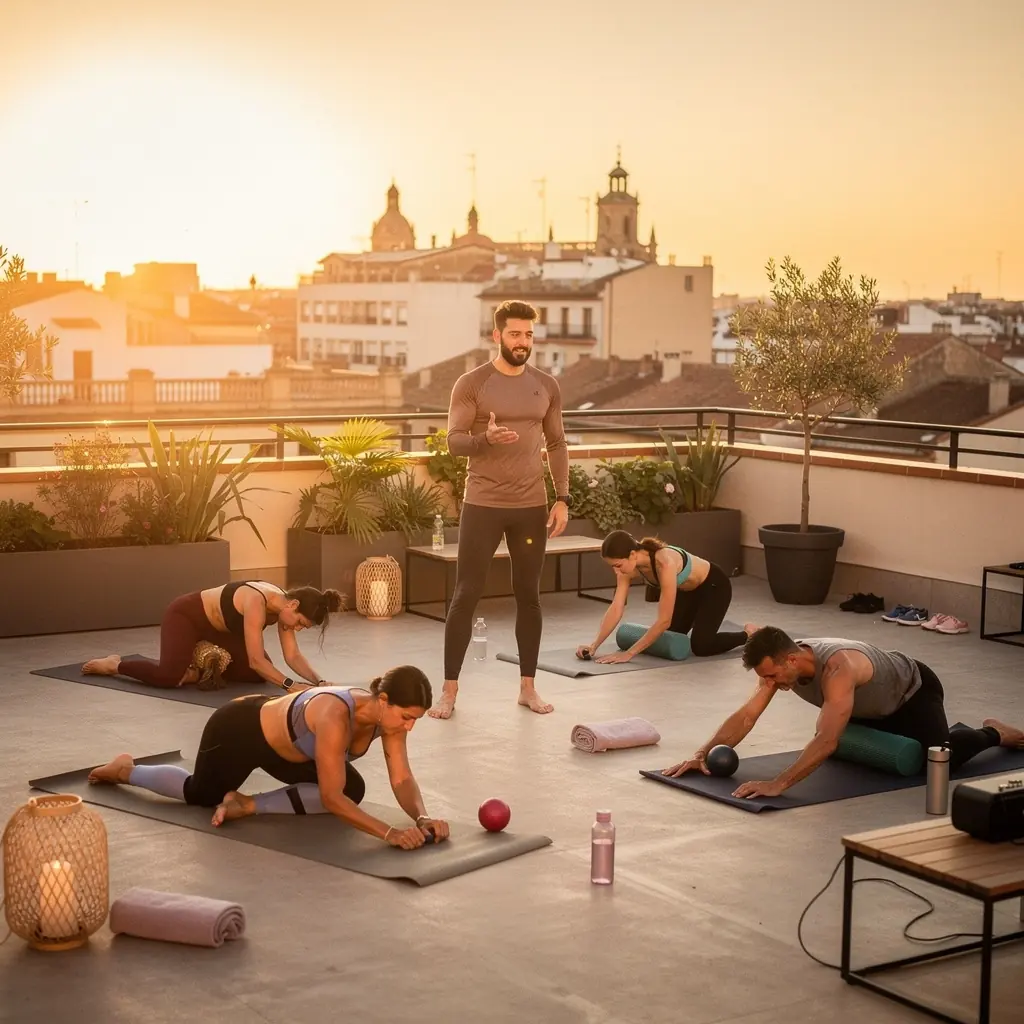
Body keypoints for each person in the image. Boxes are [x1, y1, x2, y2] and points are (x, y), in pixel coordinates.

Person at [87, 665, 450, 848]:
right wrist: (388, 833)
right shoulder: (334, 715)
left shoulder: (389, 724)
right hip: (241, 729)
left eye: (413, 720)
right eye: (406, 718)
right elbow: (329, 798)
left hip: (287, 752)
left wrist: (422, 817)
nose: (409, 728)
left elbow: (401, 778)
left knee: (350, 787)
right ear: (384, 701)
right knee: (200, 795)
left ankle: (247, 805)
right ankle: (126, 769)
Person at [662, 626, 1024, 799]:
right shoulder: (781, 669)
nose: (770, 683)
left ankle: (993, 732)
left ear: (791, 659)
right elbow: (746, 716)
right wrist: (701, 753)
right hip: (867, 710)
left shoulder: (839, 668)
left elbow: (827, 738)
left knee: (938, 762)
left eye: (772, 676)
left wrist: (778, 783)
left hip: (911, 693)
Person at [430, 299, 570, 720]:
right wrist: (485, 439)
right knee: (466, 594)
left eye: (528, 334)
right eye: (514, 334)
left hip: (531, 506)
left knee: (529, 597)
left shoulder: (546, 385)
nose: (522, 342)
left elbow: (558, 444)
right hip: (483, 505)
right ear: (497, 336)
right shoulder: (472, 383)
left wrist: (562, 497)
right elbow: (453, 442)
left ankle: (528, 688)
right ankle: (449, 692)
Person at [81, 581, 343, 692]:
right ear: (293, 605)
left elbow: (292, 655)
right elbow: (254, 659)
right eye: (299, 623)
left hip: (219, 632)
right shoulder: (257, 601)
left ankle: (199, 668)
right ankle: (115, 664)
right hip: (188, 617)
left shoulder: (284, 610)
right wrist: (290, 685)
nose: (296, 628)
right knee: (168, 677)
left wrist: (318, 682)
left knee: (258, 675)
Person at [577, 531, 754, 664]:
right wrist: (594, 646)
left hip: (714, 587)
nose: (616, 570)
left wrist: (628, 654)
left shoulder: (665, 562)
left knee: (701, 646)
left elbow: (664, 621)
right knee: (674, 636)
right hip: (687, 592)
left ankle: (748, 634)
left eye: (617, 565)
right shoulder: (627, 570)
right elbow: (616, 608)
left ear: (632, 554)